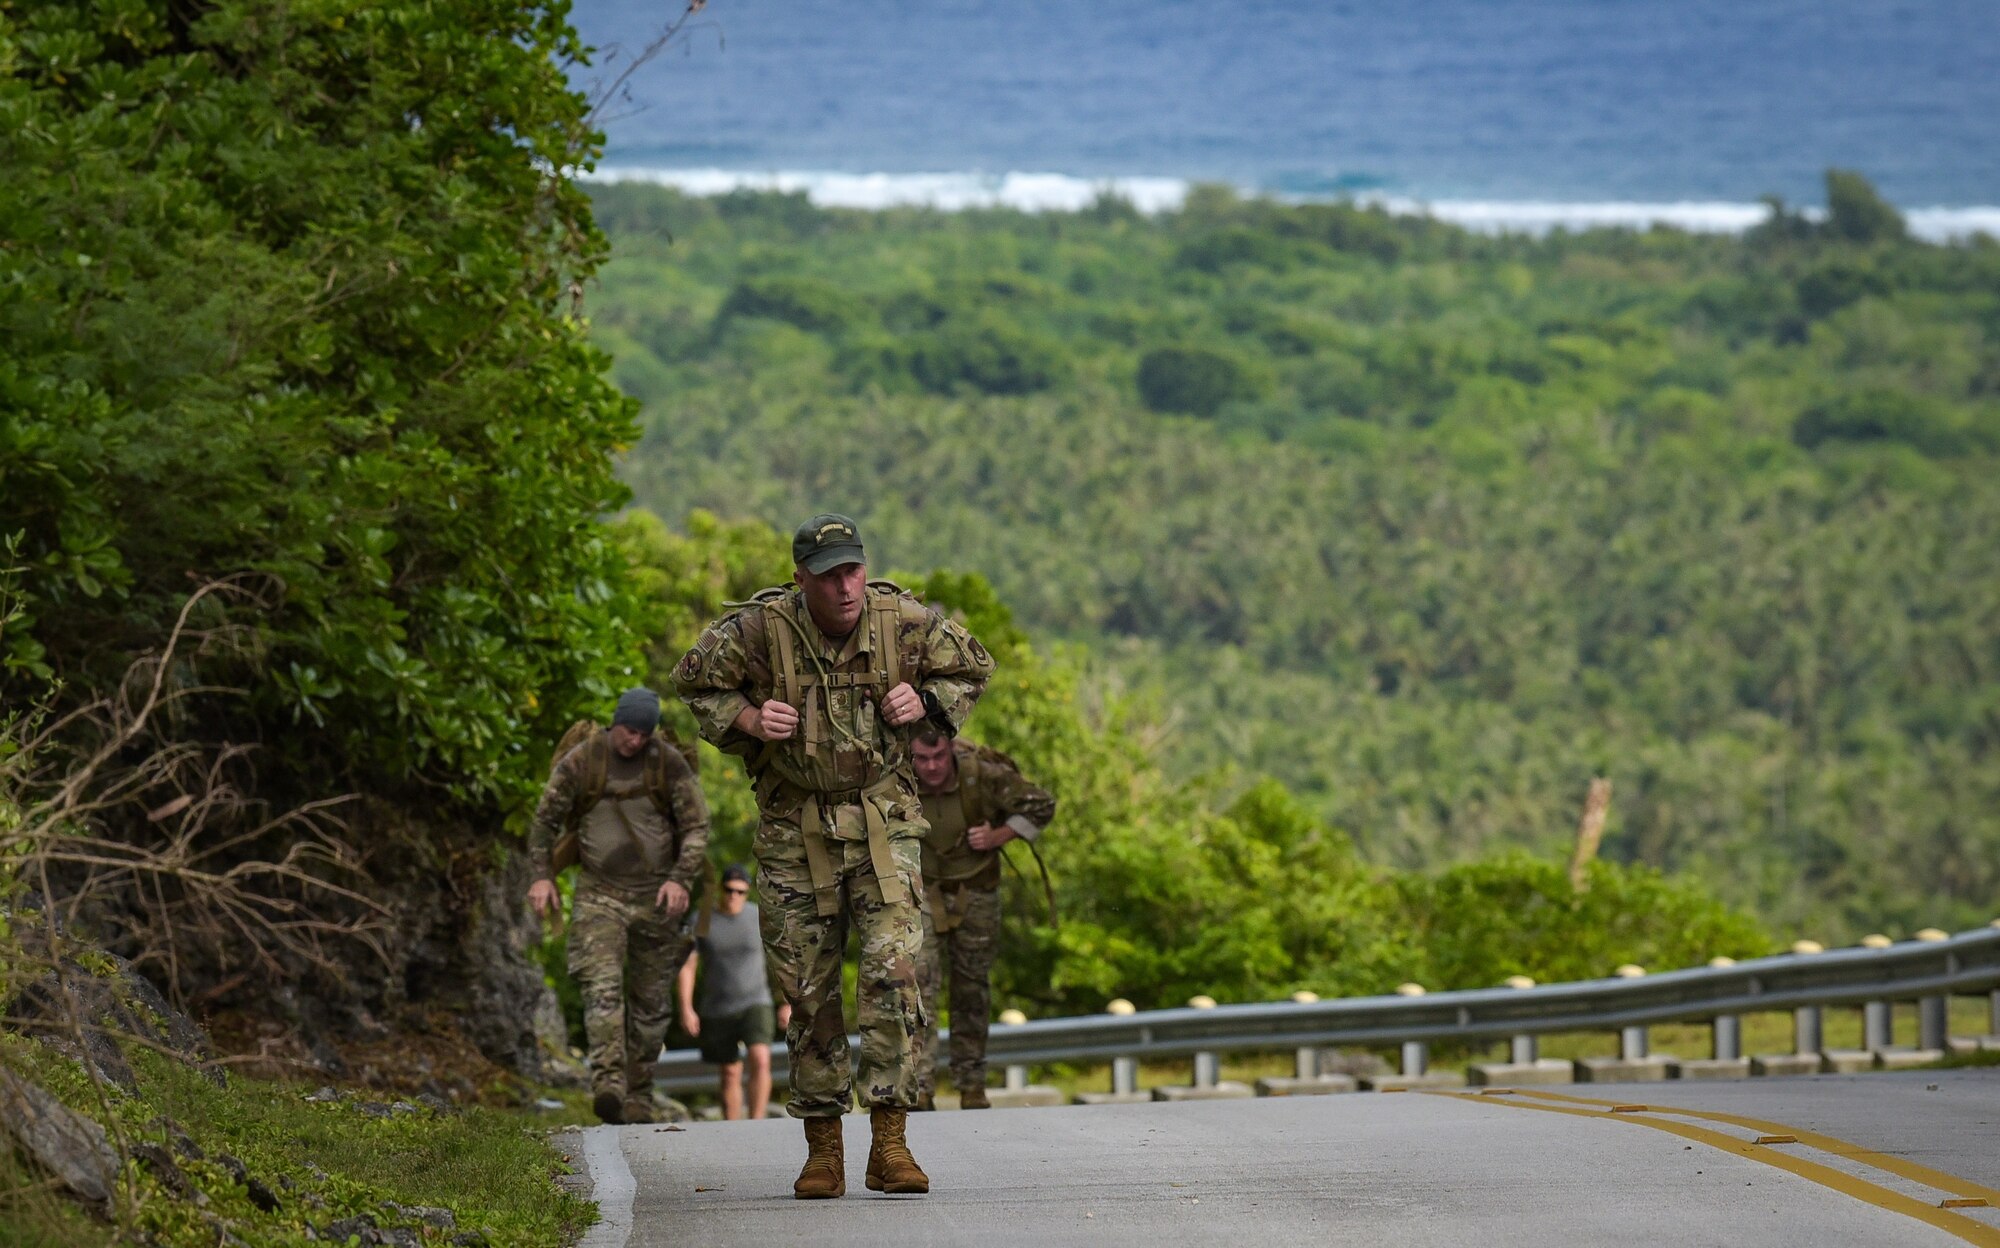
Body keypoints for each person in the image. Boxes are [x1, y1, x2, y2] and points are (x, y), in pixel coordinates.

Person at [673, 512, 994, 1199]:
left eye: (853, 569)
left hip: (885, 822)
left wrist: (927, 699)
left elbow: (973, 666)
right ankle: (824, 1151)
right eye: (829, 576)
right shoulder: (760, 631)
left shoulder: (900, 620)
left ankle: (890, 1143)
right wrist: (749, 719)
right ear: (802, 579)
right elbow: (695, 682)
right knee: (807, 991)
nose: (846, 587)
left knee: (894, 972)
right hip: (796, 829)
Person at [525, 688, 709, 1125]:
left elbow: (697, 826)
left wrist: (681, 880)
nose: (636, 741)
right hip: (599, 894)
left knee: (650, 1004)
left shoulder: (666, 762)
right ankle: (608, 1083)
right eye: (629, 732)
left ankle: (639, 1094)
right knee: (601, 988)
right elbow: (544, 821)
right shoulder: (583, 761)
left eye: (644, 734)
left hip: (658, 895)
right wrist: (541, 876)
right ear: (616, 723)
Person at [910, 731, 1056, 1110]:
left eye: (939, 757)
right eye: (922, 759)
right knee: (917, 988)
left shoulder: (983, 775)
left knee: (971, 989)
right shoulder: (897, 773)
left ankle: (971, 1083)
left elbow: (1042, 805)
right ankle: (921, 1086)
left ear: (951, 750)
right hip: (921, 893)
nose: (931, 767)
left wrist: (998, 836)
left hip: (976, 892)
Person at [676, 864, 792, 1120]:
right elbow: (688, 965)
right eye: (729, 890)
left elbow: (781, 960)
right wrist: (686, 1007)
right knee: (729, 1071)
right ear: (720, 889)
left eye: (740, 892)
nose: (734, 897)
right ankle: (733, 1127)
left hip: (756, 1000)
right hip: (718, 1005)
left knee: (761, 1059)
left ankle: (757, 1122)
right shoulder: (702, 918)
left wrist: (786, 1001)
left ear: (747, 892)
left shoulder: (758, 917)